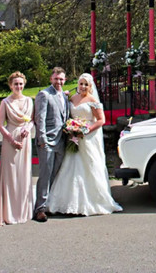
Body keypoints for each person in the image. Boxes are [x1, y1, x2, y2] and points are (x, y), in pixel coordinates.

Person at [47, 73, 122, 216]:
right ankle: (66, 200)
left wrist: (85, 130)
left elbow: (101, 120)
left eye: (86, 84)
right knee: (71, 166)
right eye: (81, 83)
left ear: (90, 86)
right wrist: (71, 129)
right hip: (73, 136)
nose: (83, 86)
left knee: (90, 165)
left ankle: (94, 200)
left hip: (88, 137)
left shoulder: (92, 100)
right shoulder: (72, 98)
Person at [0, 71, 34, 225]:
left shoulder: (29, 101)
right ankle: (9, 212)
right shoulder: (5, 102)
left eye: (20, 83)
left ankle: (23, 210)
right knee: (10, 174)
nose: (18, 86)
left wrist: (28, 129)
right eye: (15, 84)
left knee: (24, 173)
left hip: (25, 140)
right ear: (10, 85)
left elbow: (32, 120)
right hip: (10, 138)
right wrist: (11, 140)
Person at [33, 67, 69, 222]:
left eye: (61, 79)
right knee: (45, 175)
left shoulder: (65, 96)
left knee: (55, 173)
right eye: (56, 79)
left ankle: (50, 205)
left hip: (61, 141)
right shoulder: (44, 94)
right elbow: (39, 118)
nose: (58, 82)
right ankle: (39, 209)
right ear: (51, 79)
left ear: (65, 80)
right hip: (47, 141)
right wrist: (42, 140)